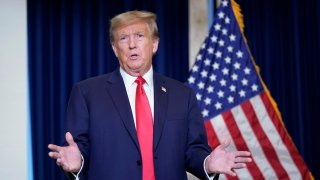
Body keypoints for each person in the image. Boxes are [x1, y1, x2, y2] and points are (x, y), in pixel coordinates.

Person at [48, 10, 251, 180]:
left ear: (154, 44)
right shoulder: (86, 92)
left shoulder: (183, 94)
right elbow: (80, 148)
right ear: (115, 49)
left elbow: (193, 150)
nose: (132, 44)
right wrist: (77, 162)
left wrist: (208, 163)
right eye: (123, 38)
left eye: (139, 36)